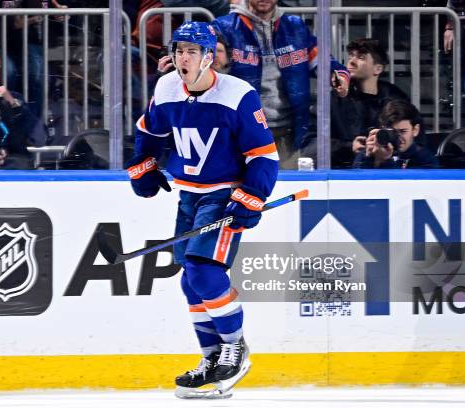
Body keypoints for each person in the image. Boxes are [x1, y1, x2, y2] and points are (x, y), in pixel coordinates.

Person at [127, 21, 279, 398]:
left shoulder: (238, 95)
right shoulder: (165, 88)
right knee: (189, 280)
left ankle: (235, 348)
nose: (182, 57)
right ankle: (212, 358)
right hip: (189, 195)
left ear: (209, 57)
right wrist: (143, 166)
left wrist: (251, 195)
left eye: (192, 51)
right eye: (179, 50)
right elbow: (149, 131)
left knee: (202, 269)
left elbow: (263, 154)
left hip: (223, 194)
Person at [212, 0, 350, 168]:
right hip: (243, 131)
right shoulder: (224, 27)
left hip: (290, 132)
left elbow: (323, 62)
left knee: (284, 189)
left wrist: (338, 76)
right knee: (247, 188)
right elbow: (209, 68)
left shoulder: (295, 26)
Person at [331, 38, 409, 167]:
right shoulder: (334, 99)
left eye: (361, 57)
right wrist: (349, 147)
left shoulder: (396, 98)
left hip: (390, 172)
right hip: (344, 175)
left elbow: (413, 138)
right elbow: (313, 142)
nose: (351, 61)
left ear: (378, 69)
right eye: (351, 56)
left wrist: (390, 148)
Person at [352, 100, 439, 169]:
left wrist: (385, 161)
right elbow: (356, 184)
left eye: (403, 131)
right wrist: (367, 158)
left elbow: (401, 189)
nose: (398, 137)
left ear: (415, 130)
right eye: (392, 132)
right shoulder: (372, 151)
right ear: (383, 129)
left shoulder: (426, 160)